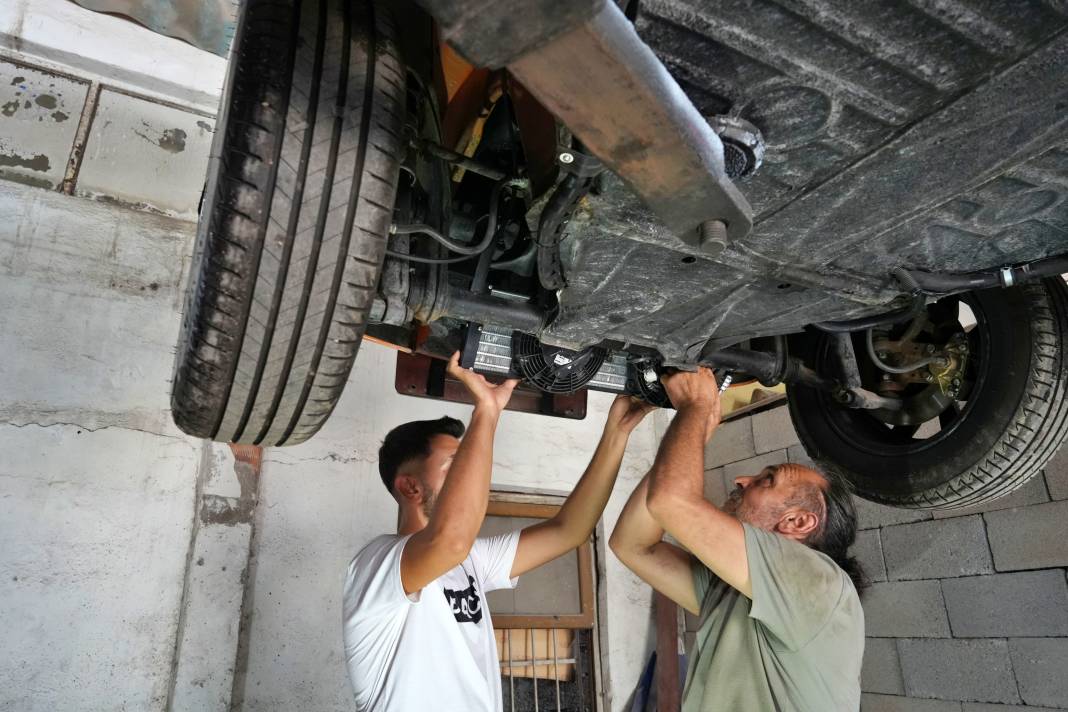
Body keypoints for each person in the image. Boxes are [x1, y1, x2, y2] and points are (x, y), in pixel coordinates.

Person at [343, 351, 654, 711]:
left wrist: (617, 433)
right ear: (410, 488)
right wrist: (486, 411)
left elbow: (569, 530)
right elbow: (451, 540)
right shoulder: (376, 565)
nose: (468, 475)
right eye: (453, 466)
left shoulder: (469, 561)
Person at [610, 367, 865, 712]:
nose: (743, 479)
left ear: (798, 522)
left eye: (767, 480)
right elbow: (634, 544)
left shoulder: (822, 585)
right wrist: (694, 432)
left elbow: (668, 504)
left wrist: (697, 407)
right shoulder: (736, 589)